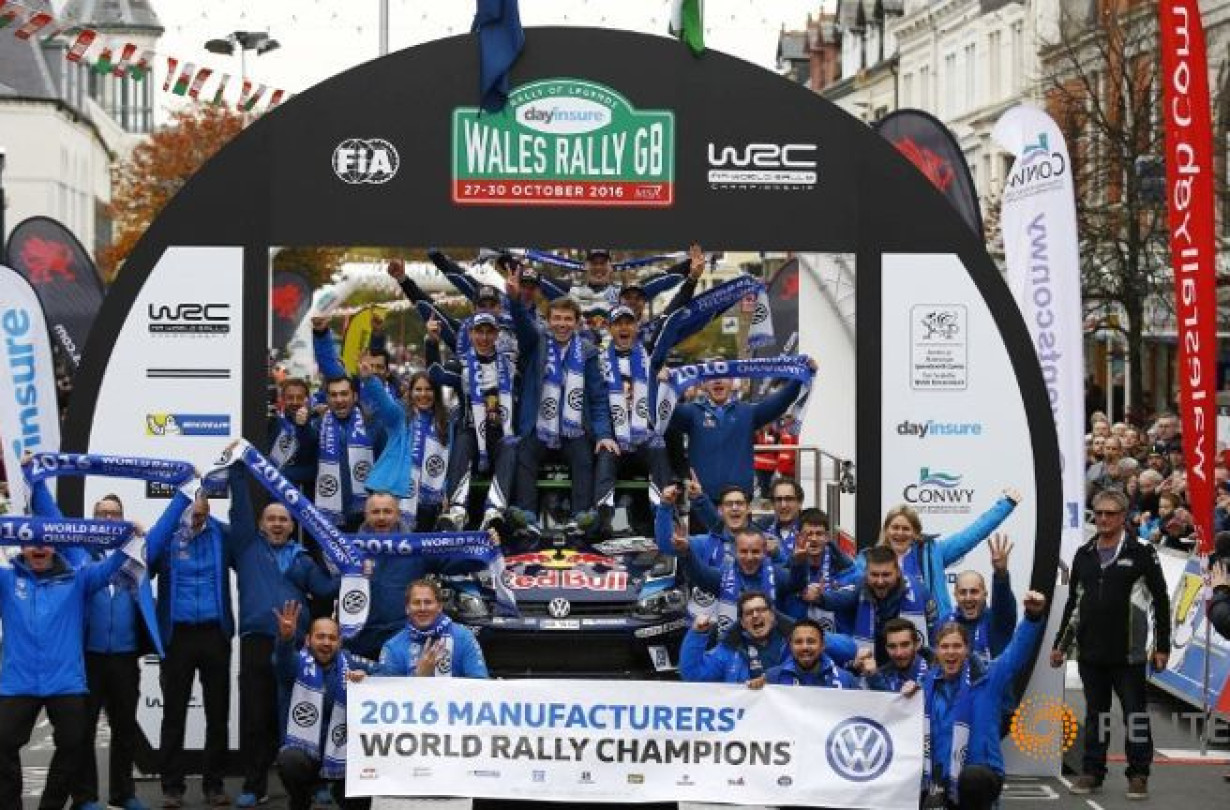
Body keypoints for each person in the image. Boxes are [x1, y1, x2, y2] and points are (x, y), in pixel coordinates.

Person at [0, 505, 144, 810]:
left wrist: (131, 538)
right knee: (2, 745)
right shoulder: (6, 580)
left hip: (65, 683)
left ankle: (50, 806)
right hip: (18, 683)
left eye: (45, 541)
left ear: (56, 544)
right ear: (21, 546)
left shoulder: (78, 579)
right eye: (31, 542)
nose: (39, 548)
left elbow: (115, 563)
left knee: (74, 744)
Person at [31, 485, 162, 810]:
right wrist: (36, 483)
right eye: (102, 513)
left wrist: (186, 492)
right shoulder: (78, 553)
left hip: (125, 658)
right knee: (83, 731)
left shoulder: (137, 553)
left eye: (114, 514)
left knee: (125, 729)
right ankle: (85, 797)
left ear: (122, 519)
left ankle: (124, 794)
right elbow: (53, 517)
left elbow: (167, 526)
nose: (108, 518)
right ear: (93, 519)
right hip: (87, 659)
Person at [226, 462, 341, 809]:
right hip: (257, 641)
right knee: (256, 717)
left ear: (293, 526)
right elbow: (239, 511)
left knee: (305, 716)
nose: (277, 523)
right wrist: (237, 472)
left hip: (296, 649)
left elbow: (325, 588)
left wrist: (354, 571)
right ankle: (254, 784)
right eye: (271, 519)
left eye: (284, 519)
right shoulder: (246, 547)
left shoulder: (302, 559)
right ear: (261, 524)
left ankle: (315, 783)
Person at [1051, 488, 1170, 799]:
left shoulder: (1142, 552)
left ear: (1123, 517)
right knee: (1096, 715)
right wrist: (1060, 645)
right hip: (1091, 652)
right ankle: (1093, 771)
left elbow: (1161, 601)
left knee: (1135, 715)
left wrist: (1162, 646)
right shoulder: (1084, 554)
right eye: (1099, 513)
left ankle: (1139, 773)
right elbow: (1073, 604)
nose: (1103, 519)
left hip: (1129, 653)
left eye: (1110, 513)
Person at [146, 483, 239, 808]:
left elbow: (249, 557)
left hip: (214, 634)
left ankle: (214, 785)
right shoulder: (167, 536)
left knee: (218, 714)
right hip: (178, 637)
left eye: (201, 514)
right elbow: (146, 560)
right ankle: (172, 788)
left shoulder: (223, 535)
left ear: (209, 510)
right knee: (173, 715)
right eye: (190, 514)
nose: (196, 520)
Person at [920, 590, 1048, 810]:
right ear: (937, 651)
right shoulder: (926, 686)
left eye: (957, 646)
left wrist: (1032, 617)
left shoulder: (989, 677)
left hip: (981, 774)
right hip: (940, 779)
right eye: (945, 647)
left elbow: (1016, 652)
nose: (951, 652)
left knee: (972, 779)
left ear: (967, 649)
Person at [507, 285, 612, 533]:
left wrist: (604, 434)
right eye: (556, 318)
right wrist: (514, 299)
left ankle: (580, 518)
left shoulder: (588, 352)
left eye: (567, 319)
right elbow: (522, 324)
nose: (562, 324)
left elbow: (598, 398)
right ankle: (528, 517)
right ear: (548, 321)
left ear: (576, 323)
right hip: (539, 428)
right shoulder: (536, 344)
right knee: (524, 454)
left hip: (573, 430)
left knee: (584, 456)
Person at [667, 358, 814, 500]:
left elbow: (782, 400)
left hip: (740, 499)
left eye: (724, 376)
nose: (718, 380)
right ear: (703, 384)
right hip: (702, 497)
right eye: (712, 377)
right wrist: (661, 382)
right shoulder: (691, 412)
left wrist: (801, 374)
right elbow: (662, 408)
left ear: (732, 382)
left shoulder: (747, 412)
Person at [272, 602, 371, 810]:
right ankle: (300, 800)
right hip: (304, 755)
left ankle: (345, 797)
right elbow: (281, 660)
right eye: (321, 637)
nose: (326, 642)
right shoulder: (295, 664)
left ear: (340, 642)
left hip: (342, 753)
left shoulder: (350, 663)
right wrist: (286, 639)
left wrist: (367, 677)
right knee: (289, 760)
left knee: (367, 761)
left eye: (332, 638)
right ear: (308, 640)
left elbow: (385, 672)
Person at [426, 312, 519, 530]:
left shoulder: (510, 365)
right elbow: (436, 375)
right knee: (462, 441)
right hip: (471, 433)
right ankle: (457, 511)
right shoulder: (460, 364)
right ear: (470, 334)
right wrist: (431, 342)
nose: (484, 338)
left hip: (500, 433)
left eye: (489, 332)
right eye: (479, 332)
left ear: (496, 334)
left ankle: (494, 511)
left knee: (510, 446)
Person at [864, 489, 1020, 617]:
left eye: (906, 529)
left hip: (934, 633)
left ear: (916, 533)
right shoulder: (868, 559)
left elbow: (971, 535)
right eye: (895, 527)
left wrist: (1006, 505)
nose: (900, 533)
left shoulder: (932, 553)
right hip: (891, 636)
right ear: (886, 530)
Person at [591, 304, 678, 533]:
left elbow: (672, 320)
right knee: (605, 453)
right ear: (609, 328)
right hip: (614, 438)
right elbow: (597, 404)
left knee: (658, 445)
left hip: (643, 436)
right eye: (618, 324)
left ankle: (663, 517)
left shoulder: (650, 358)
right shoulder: (598, 361)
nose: (624, 328)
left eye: (628, 323)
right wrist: (605, 435)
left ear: (636, 327)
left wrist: (664, 378)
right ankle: (604, 520)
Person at [360, 361, 449, 530]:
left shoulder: (445, 421)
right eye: (418, 389)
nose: (423, 394)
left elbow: (448, 460)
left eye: (428, 389)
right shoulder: (400, 416)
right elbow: (384, 403)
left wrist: (446, 490)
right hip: (393, 493)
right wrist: (370, 380)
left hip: (429, 501)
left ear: (436, 393)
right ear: (410, 392)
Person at [814, 545, 937, 666]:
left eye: (886, 575)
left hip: (910, 658)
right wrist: (819, 598)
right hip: (873, 659)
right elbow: (842, 598)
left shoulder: (920, 592)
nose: (880, 581)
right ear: (866, 574)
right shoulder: (861, 586)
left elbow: (933, 630)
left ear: (898, 573)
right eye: (874, 575)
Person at [376, 580, 488, 678]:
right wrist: (419, 677)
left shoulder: (464, 638)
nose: (422, 608)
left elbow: (480, 685)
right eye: (416, 603)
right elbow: (389, 693)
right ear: (407, 608)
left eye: (428, 602)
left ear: (439, 607)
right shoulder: (392, 648)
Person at [679, 591, 790, 684]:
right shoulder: (729, 650)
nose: (755, 615)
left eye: (761, 610)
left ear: (772, 616)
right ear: (742, 623)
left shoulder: (793, 645)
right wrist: (697, 634)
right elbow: (693, 675)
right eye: (748, 613)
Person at [941, 534, 1018, 666]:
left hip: (992, 679)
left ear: (985, 594)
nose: (968, 598)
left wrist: (1001, 574)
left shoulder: (999, 621)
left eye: (974, 591)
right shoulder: (944, 623)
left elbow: (1003, 602)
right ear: (955, 595)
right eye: (963, 592)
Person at [780, 508, 859, 628]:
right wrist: (798, 567)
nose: (814, 539)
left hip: (837, 637)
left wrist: (821, 598)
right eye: (808, 534)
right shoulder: (787, 569)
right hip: (799, 636)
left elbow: (851, 598)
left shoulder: (847, 569)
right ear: (798, 537)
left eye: (819, 534)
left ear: (827, 537)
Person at [757, 619, 861, 689]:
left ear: (822, 645)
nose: (805, 647)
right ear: (790, 646)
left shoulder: (847, 680)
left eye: (811, 641)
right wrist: (754, 690)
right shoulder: (772, 677)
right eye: (798, 642)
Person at [267, 377, 319, 494]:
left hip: (304, 495)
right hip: (274, 491)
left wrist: (303, 427)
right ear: (283, 399)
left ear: (307, 399)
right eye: (290, 398)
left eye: (299, 398)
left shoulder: (316, 423)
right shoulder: (274, 423)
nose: (295, 402)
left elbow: (314, 468)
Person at [865, 618, 929, 693]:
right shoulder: (880, 675)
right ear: (886, 648)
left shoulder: (935, 671)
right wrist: (873, 677)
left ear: (917, 645)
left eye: (905, 645)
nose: (899, 653)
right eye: (892, 646)